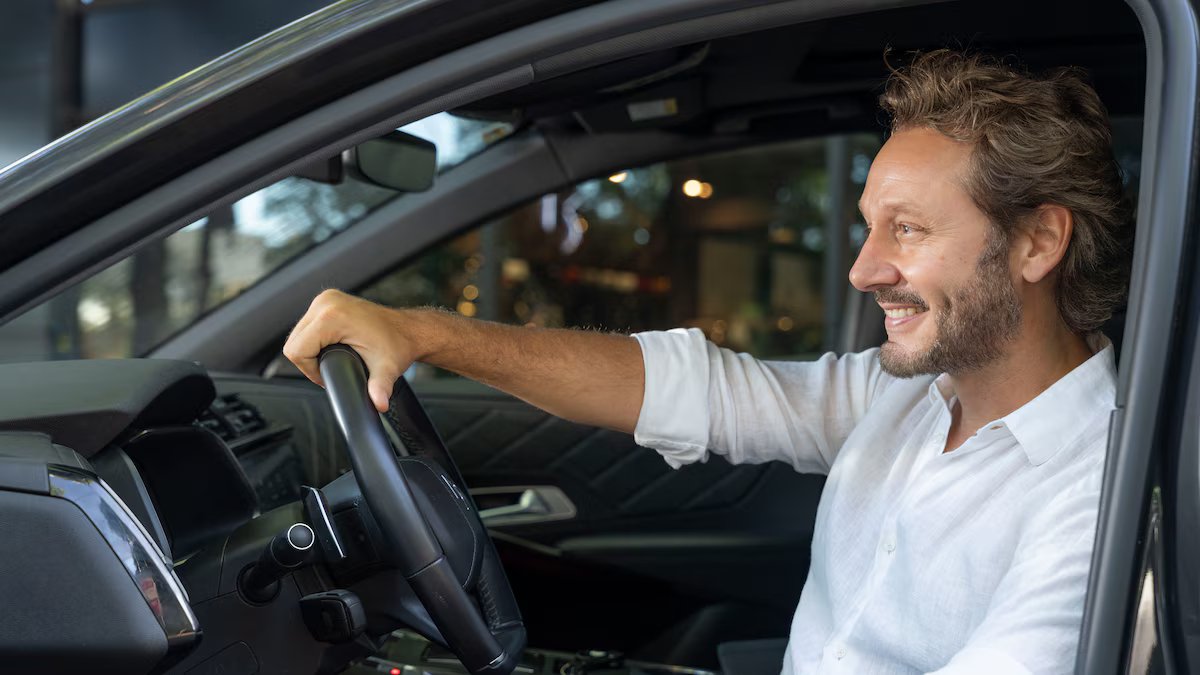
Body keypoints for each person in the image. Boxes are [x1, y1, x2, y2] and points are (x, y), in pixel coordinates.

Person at [283, 49, 1133, 674]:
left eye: (906, 229)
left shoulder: (1108, 496)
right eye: (870, 226)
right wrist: (430, 335)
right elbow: (700, 391)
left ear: (1037, 242)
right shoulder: (904, 396)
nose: (864, 268)